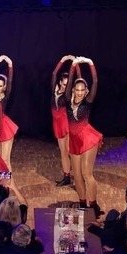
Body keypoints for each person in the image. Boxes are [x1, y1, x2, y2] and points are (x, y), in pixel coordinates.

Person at [65, 56, 103, 214]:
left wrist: (90, 63)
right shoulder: (68, 100)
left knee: (87, 173)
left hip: (87, 137)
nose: (80, 93)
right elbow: (69, 82)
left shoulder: (88, 101)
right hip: (74, 140)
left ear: (86, 91)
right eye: (77, 90)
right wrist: (73, 65)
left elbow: (95, 81)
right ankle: (82, 203)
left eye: (82, 90)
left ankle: (93, 206)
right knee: (77, 175)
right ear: (73, 90)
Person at [51, 55, 76, 187]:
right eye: (64, 84)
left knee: (70, 152)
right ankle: (67, 177)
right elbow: (54, 73)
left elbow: (73, 79)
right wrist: (63, 60)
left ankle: (78, 176)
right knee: (63, 153)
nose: (66, 86)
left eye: (68, 85)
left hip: (65, 123)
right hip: (57, 124)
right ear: (60, 82)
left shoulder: (67, 95)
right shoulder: (54, 90)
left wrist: (74, 64)